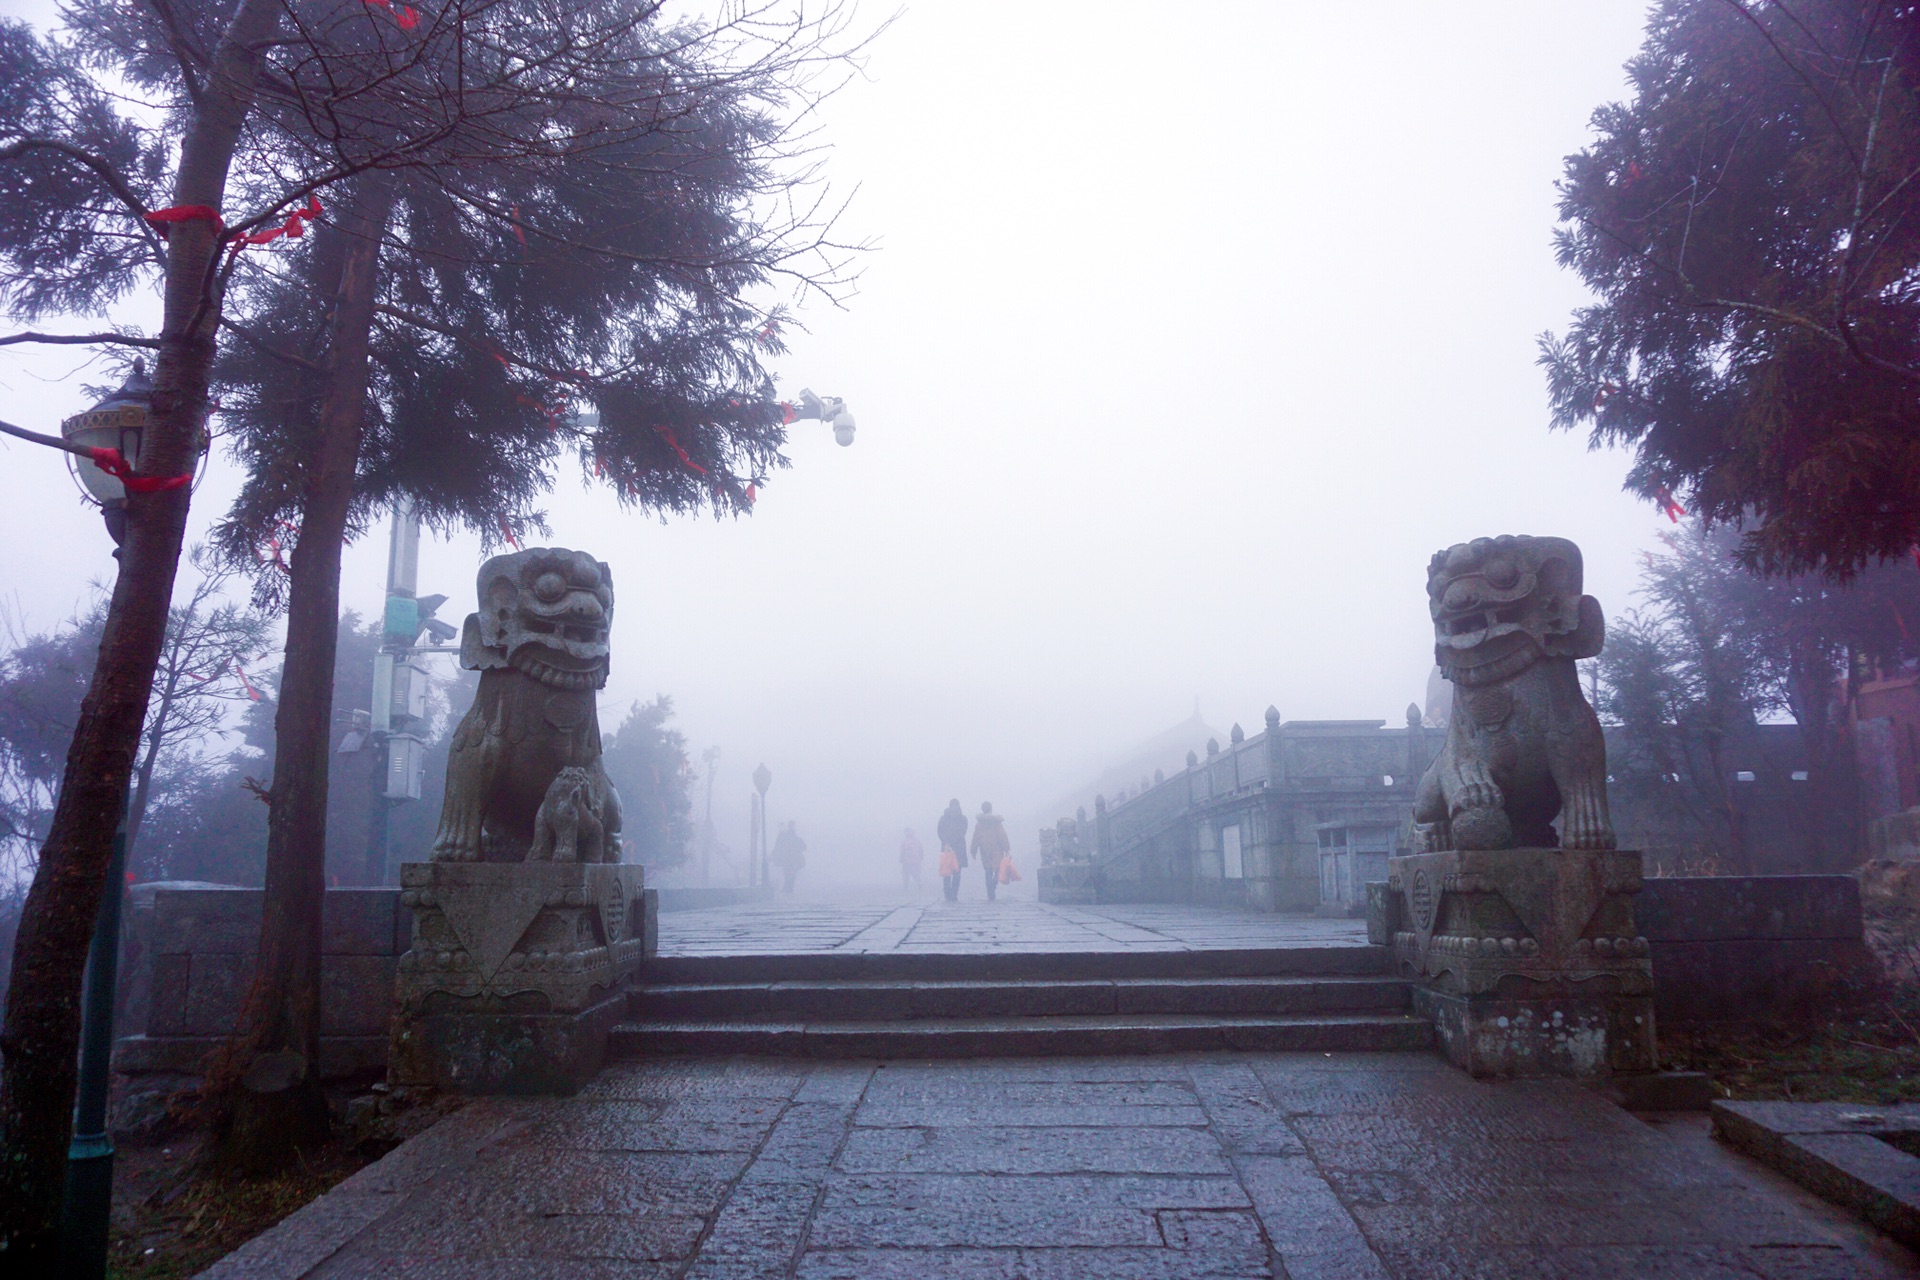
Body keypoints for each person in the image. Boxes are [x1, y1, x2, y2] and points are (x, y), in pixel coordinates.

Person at [970, 800, 1010, 902]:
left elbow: (976, 838)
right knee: (997, 869)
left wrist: (973, 850)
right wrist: (1007, 849)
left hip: (984, 850)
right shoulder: (997, 823)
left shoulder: (979, 824)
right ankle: (993, 884)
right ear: (991, 809)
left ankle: (989, 891)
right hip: (997, 849)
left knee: (988, 870)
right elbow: (1002, 836)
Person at [937, 799, 968, 901]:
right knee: (957, 871)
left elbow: (940, 831)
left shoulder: (944, 818)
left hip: (947, 847)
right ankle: (954, 894)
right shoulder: (963, 819)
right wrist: (952, 841)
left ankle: (947, 893)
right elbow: (962, 832)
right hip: (959, 847)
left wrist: (946, 841)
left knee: (947, 871)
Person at [770, 821, 807, 893]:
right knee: (790, 873)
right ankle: (788, 888)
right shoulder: (794, 837)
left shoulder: (786, 837)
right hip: (792, 859)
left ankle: (788, 888)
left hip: (789, 858)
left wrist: (773, 855)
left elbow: (778, 847)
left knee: (788, 873)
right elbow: (803, 847)